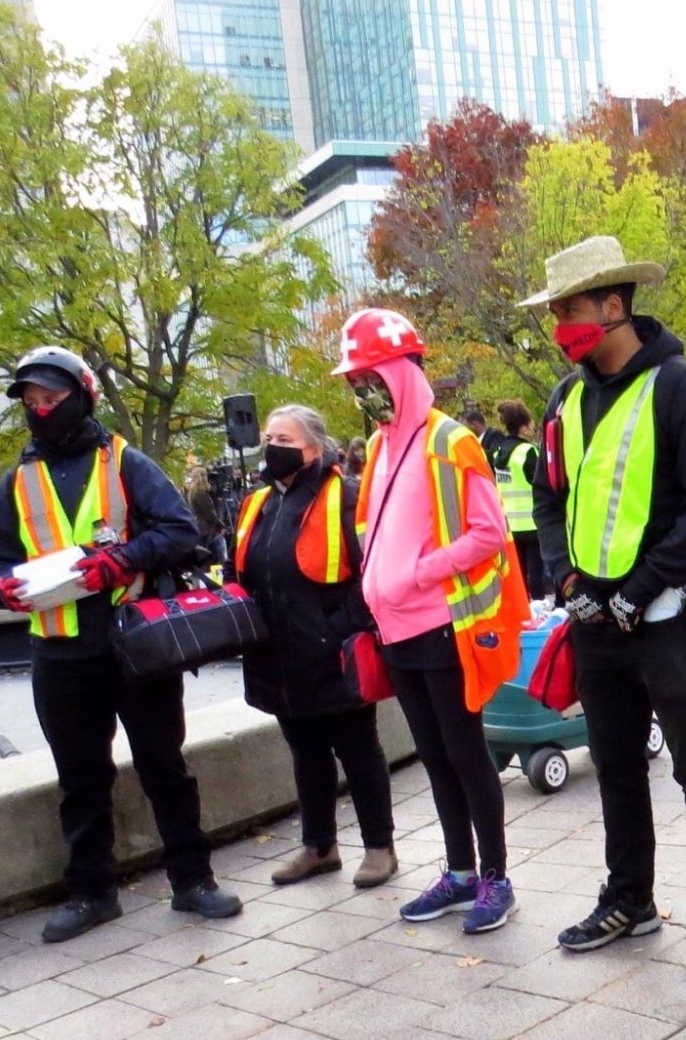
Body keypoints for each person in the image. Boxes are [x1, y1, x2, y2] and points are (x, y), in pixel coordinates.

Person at [524, 234, 686, 977]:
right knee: (616, 768)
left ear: (614, 305)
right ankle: (630, 899)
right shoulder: (568, 397)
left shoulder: (677, 388)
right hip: (595, 622)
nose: (559, 327)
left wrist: (641, 587)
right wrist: (565, 579)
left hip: (666, 621)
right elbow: (547, 496)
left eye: (570, 310)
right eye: (553, 312)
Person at [0, 346, 242, 943]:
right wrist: (0, 587)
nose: (41, 410)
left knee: (164, 766)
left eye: (52, 399)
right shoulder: (16, 481)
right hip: (59, 652)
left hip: (133, 645)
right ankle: (92, 892)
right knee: (79, 777)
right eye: (32, 402)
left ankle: (193, 881)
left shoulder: (125, 461)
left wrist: (120, 561)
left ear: (83, 396)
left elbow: (179, 529)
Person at [336, 307, 529, 934]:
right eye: (356, 383)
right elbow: (371, 525)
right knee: (434, 756)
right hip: (396, 631)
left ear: (401, 373)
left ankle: (495, 877)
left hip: (442, 626)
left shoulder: (451, 440)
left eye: (372, 379)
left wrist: (418, 573)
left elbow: (488, 533)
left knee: (466, 753)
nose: (365, 394)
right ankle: (460, 871)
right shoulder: (378, 445)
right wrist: (377, 585)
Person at [235, 405, 398, 890]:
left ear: (313, 448)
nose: (271, 446)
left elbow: (370, 573)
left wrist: (338, 627)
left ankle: (379, 848)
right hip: (278, 656)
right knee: (305, 753)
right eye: (268, 436)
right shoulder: (258, 503)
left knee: (359, 750)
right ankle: (319, 846)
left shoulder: (346, 496)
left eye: (283, 437)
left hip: (333, 652)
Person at [484, 399, 545, 596]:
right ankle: (538, 606)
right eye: (531, 423)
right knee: (536, 573)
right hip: (532, 522)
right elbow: (543, 486)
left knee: (519, 575)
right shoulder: (528, 451)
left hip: (510, 523)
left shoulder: (499, 452)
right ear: (524, 427)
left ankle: (525, 611)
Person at [184, 465, 228, 566]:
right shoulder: (200, 493)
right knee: (217, 558)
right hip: (208, 529)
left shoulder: (192, 492)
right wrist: (221, 525)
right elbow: (209, 513)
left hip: (201, 529)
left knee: (208, 561)